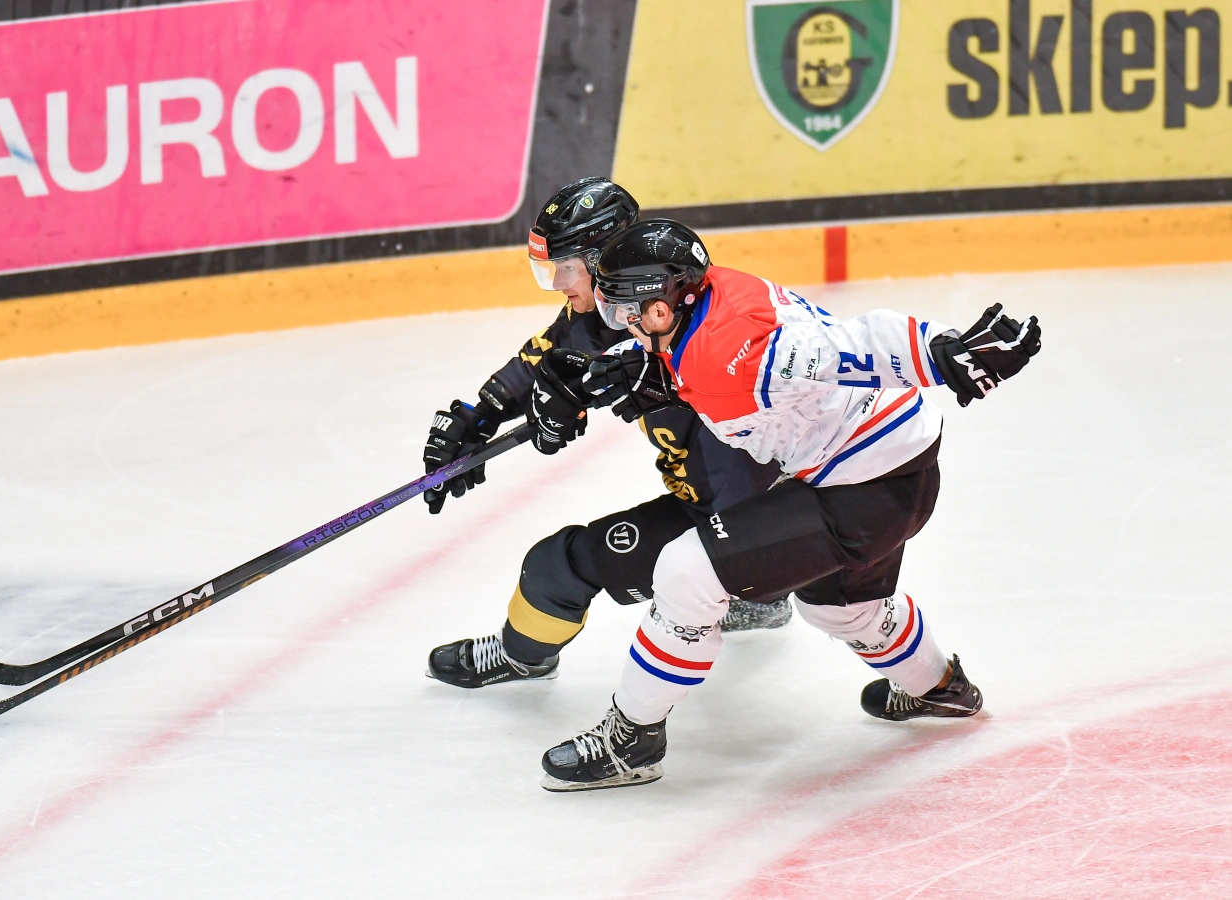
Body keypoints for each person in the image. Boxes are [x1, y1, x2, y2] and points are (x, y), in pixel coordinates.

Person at [533, 219, 1041, 790]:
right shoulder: (709, 293)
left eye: (623, 312)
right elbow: (711, 363)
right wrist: (639, 370)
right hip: (893, 461)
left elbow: (855, 344)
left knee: (686, 571)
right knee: (839, 608)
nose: (617, 322)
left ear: (657, 308)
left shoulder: (744, 353)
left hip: (864, 485)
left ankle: (632, 740)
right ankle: (941, 690)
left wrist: (943, 352)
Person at [421, 181, 793, 690]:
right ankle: (761, 597)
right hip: (738, 504)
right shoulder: (627, 304)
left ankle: (523, 656)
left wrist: (591, 387)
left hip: (757, 521)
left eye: (565, 268)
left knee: (557, 568)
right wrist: (479, 415)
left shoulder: (683, 323)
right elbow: (551, 355)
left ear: (600, 261)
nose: (557, 284)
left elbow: (655, 367)